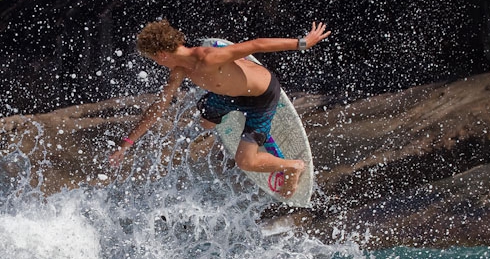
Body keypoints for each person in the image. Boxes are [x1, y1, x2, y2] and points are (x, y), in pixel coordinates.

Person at [109, 20, 331, 197]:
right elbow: (159, 106)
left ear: (161, 55)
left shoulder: (210, 57)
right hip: (228, 96)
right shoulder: (179, 71)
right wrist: (127, 143)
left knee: (246, 162)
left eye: (154, 60)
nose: (157, 64)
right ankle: (231, 116)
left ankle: (292, 166)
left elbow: (257, 44)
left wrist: (304, 42)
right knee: (205, 120)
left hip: (261, 99)